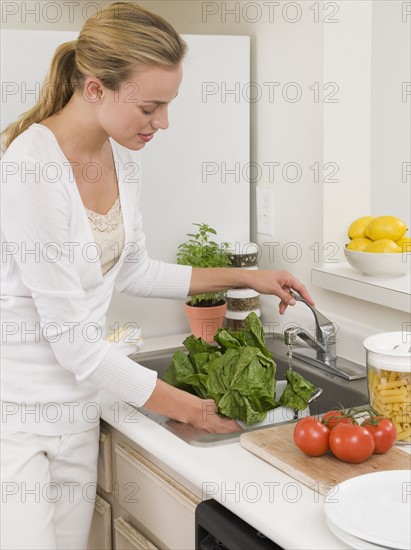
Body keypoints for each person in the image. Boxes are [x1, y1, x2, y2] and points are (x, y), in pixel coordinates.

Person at [0, 2, 314, 548]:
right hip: (16, 420)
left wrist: (250, 278)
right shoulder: (32, 167)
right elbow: (75, 344)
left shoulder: (123, 158)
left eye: (167, 105)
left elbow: (135, 269)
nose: (162, 123)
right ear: (94, 88)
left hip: (80, 409)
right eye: (150, 106)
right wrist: (191, 408)